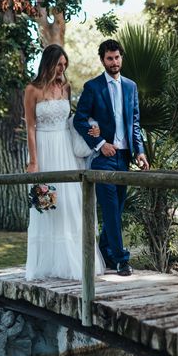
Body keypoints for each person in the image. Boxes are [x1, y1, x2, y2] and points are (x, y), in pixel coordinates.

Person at [24, 44, 106, 281]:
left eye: (64, 64)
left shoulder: (67, 88)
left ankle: (75, 262)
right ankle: (48, 264)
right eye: (59, 64)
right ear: (48, 64)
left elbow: (71, 120)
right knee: (48, 205)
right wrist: (33, 161)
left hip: (66, 150)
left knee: (71, 203)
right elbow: (30, 126)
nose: (62, 68)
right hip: (44, 149)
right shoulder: (33, 89)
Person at [73, 39, 149, 276]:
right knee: (111, 210)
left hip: (125, 158)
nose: (114, 62)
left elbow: (135, 123)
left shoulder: (131, 86)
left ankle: (105, 251)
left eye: (117, 58)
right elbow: (79, 119)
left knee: (117, 209)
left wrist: (140, 151)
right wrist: (100, 143)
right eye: (109, 59)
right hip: (103, 158)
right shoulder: (93, 87)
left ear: (121, 58)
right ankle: (121, 260)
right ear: (102, 60)